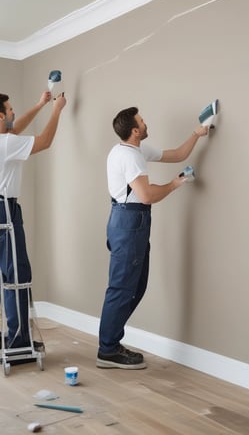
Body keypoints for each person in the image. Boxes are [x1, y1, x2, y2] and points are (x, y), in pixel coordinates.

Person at [97, 106, 209, 369]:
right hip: (129, 220)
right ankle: (108, 349)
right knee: (123, 288)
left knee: (135, 286)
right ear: (135, 131)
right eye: (142, 121)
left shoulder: (134, 149)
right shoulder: (129, 156)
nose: (146, 123)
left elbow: (176, 154)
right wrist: (175, 184)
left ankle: (111, 342)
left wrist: (197, 133)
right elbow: (146, 196)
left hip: (129, 219)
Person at [0, 90, 66, 352]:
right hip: (5, 211)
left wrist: (40, 104)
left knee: (8, 274)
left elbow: (13, 129)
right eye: (11, 110)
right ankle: (18, 343)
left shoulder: (5, 140)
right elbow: (45, 141)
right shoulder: (5, 143)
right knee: (17, 275)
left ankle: (16, 337)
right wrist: (56, 110)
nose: (14, 113)